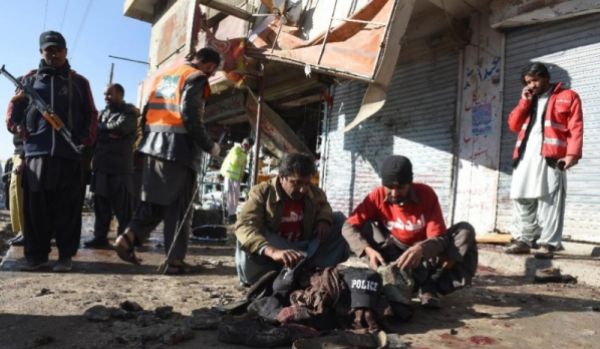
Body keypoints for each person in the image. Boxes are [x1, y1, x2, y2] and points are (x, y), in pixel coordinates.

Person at [114, 47, 221, 274]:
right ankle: (175, 261)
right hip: (178, 150)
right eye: (212, 70)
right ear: (209, 65)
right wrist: (209, 145)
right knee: (179, 207)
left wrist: (145, 142)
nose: (211, 74)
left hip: (153, 147)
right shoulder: (196, 77)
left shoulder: (165, 77)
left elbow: (146, 113)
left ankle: (128, 237)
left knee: (155, 203)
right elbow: (190, 115)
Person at [5, 31, 97, 272]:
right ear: (41, 52)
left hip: (69, 157)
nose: (53, 54)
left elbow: (91, 114)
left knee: (68, 209)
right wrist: (18, 116)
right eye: (49, 50)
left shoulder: (79, 82)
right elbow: (12, 119)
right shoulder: (28, 79)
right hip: (36, 156)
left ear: (66, 51)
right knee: (36, 211)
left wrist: (82, 140)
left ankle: (65, 257)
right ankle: (36, 257)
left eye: (58, 50)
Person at [342, 155, 477, 310]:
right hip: (393, 254)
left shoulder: (426, 194)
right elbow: (348, 226)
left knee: (465, 230)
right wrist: (367, 250)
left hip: (425, 257)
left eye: (400, 187)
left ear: (409, 183)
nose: (394, 193)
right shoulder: (376, 196)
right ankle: (388, 277)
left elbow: (439, 239)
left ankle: (431, 285)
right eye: (389, 187)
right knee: (363, 226)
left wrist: (421, 248)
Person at [504, 62, 583, 258]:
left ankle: (549, 244)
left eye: (535, 80)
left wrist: (572, 155)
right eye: (528, 82)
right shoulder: (528, 99)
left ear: (546, 78)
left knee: (550, 199)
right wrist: (524, 102)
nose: (532, 85)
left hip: (551, 156)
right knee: (521, 197)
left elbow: (576, 128)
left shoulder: (568, 96)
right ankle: (524, 240)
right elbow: (513, 125)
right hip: (525, 155)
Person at [235, 152, 349, 286]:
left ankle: (313, 270)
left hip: (303, 250)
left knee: (339, 220)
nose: (302, 189)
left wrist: (323, 220)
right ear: (281, 177)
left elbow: (324, 206)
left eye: (307, 183)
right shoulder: (262, 192)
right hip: (274, 249)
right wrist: (273, 252)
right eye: (297, 182)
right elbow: (245, 225)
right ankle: (269, 274)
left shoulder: (313, 192)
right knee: (246, 236)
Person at [84, 84, 139, 249]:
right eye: (105, 94)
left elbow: (121, 128)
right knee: (101, 207)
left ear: (120, 95)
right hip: (101, 167)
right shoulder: (103, 113)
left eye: (109, 94)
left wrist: (102, 130)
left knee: (123, 209)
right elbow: (93, 132)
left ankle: (124, 240)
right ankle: (100, 237)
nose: (106, 97)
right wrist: (105, 132)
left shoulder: (129, 113)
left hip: (120, 168)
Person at [220, 137, 253, 223]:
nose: (245, 147)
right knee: (228, 194)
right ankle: (229, 214)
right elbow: (235, 161)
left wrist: (241, 176)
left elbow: (242, 167)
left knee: (235, 196)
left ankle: (231, 214)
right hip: (229, 175)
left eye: (248, 146)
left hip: (236, 178)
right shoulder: (236, 149)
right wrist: (243, 153)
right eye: (245, 144)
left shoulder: (244, 154)